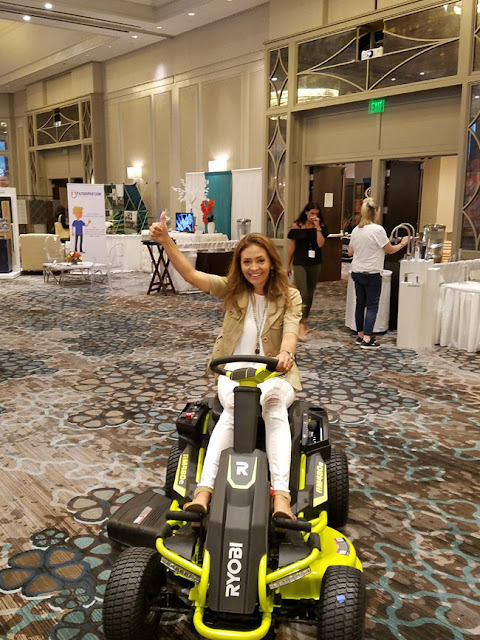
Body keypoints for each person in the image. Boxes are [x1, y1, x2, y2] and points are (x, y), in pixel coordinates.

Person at [150, 212, 302, 519]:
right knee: (235, 407)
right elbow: (193, 276)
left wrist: (285, 355)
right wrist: (166, 241)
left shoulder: (290, 296)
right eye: (247, 262)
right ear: (240, 265)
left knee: (272, 404)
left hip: (275, 373)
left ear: (271, 262)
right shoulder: (233, 289)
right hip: (233, 370)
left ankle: (281, 498)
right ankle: (203, 492)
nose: (254, 268)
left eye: (260, 261)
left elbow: (290, 332)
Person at [348, 197, 408, 349]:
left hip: (357, 270)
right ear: (375, 212)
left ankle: (360, 334)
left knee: (360, 304)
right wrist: (402, 243)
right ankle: (368, 338)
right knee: (372, 305)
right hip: (372, 272)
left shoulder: (356, 230)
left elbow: (350, 251)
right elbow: (389, 250)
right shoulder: (378, 230)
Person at [286, 202, 328, 341]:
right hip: (299, 262)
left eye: (316, 214)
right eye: (311, 214)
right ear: (306, 213)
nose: (314, 216)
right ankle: (300, 322)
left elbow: (321, 244)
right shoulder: (297, 225)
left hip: (315, 262)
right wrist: (287, 265)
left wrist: (317, 228)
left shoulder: (320, 226)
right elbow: (292, 246)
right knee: (302, 292)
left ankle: (305, 319)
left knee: (310, 293)